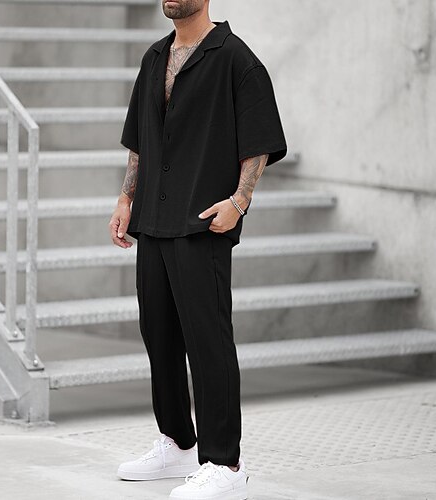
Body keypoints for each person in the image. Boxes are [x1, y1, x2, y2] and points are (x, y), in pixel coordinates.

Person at [109, 1, 287, 498]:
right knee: (159, 336)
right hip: (153, 219)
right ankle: (178, 443)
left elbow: (259, 141)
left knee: (208, 342)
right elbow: (140, 140)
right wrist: (125, 198)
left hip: (203, 222)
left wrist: (239, 202)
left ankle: (226, 464)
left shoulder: (236, 59)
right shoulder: (154, 58)